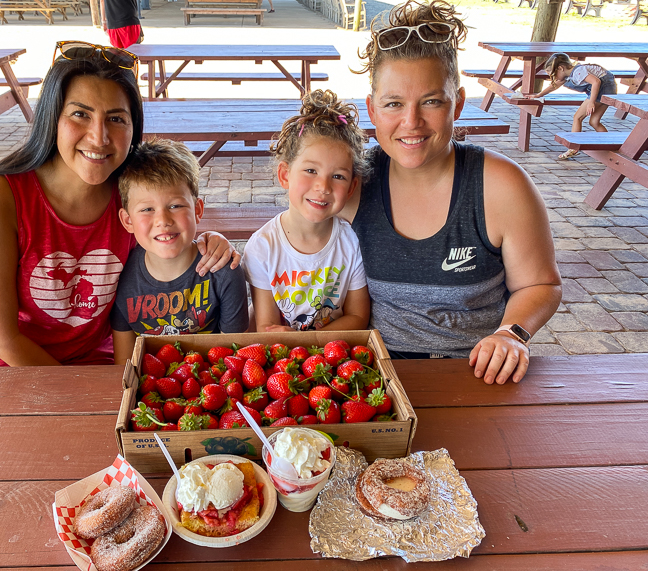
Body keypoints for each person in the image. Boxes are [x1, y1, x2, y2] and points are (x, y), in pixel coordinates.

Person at [0, 42, 236, 368]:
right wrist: (75, 392)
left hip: (84, 363)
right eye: (80, 114)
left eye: (116, 118)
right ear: (52, 117)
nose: (99, 137)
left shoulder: (132, 198)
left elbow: (167, 240)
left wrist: (209, 244)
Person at [340, 0, 561, 384]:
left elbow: (540, 284)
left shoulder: (501, 184)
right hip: (377, 375)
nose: (411, 122)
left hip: (479, 371)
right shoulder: (354, 181)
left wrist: (511, 334)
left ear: (457, 103)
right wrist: (223, 246)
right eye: (394, 104)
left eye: (431, 101)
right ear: (372, 110)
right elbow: (294, 230)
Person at [111, 139, 249, 364]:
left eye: (175, 206)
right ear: (127, 220)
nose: (163, 220)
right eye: (147, 209)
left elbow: (233, 363)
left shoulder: (225, 273)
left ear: (197, 210)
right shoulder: (119, 277)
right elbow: (125, 367)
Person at [243, 90, 370, 333]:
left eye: (338, 176)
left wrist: (309, 343)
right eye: (311, 171)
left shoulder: (352, 242)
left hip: (335, 352)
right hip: (282, 354)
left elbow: (358, 316)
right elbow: (266, 325)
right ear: (285, 175)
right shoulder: (261, 247)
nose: (323, 187)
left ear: (352, 187)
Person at [527, 53, 617, 160]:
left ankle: (573, 148)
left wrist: (591, 102)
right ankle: (610, 147)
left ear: (561, 68)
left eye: (553, 74)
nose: (553, 78)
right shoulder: (567, 75)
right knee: (594, 122)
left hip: (603, 88)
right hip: (609, 88)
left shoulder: (578, 72)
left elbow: (596, 82)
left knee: (577, 117)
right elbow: (554, 86)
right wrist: (538, 95)